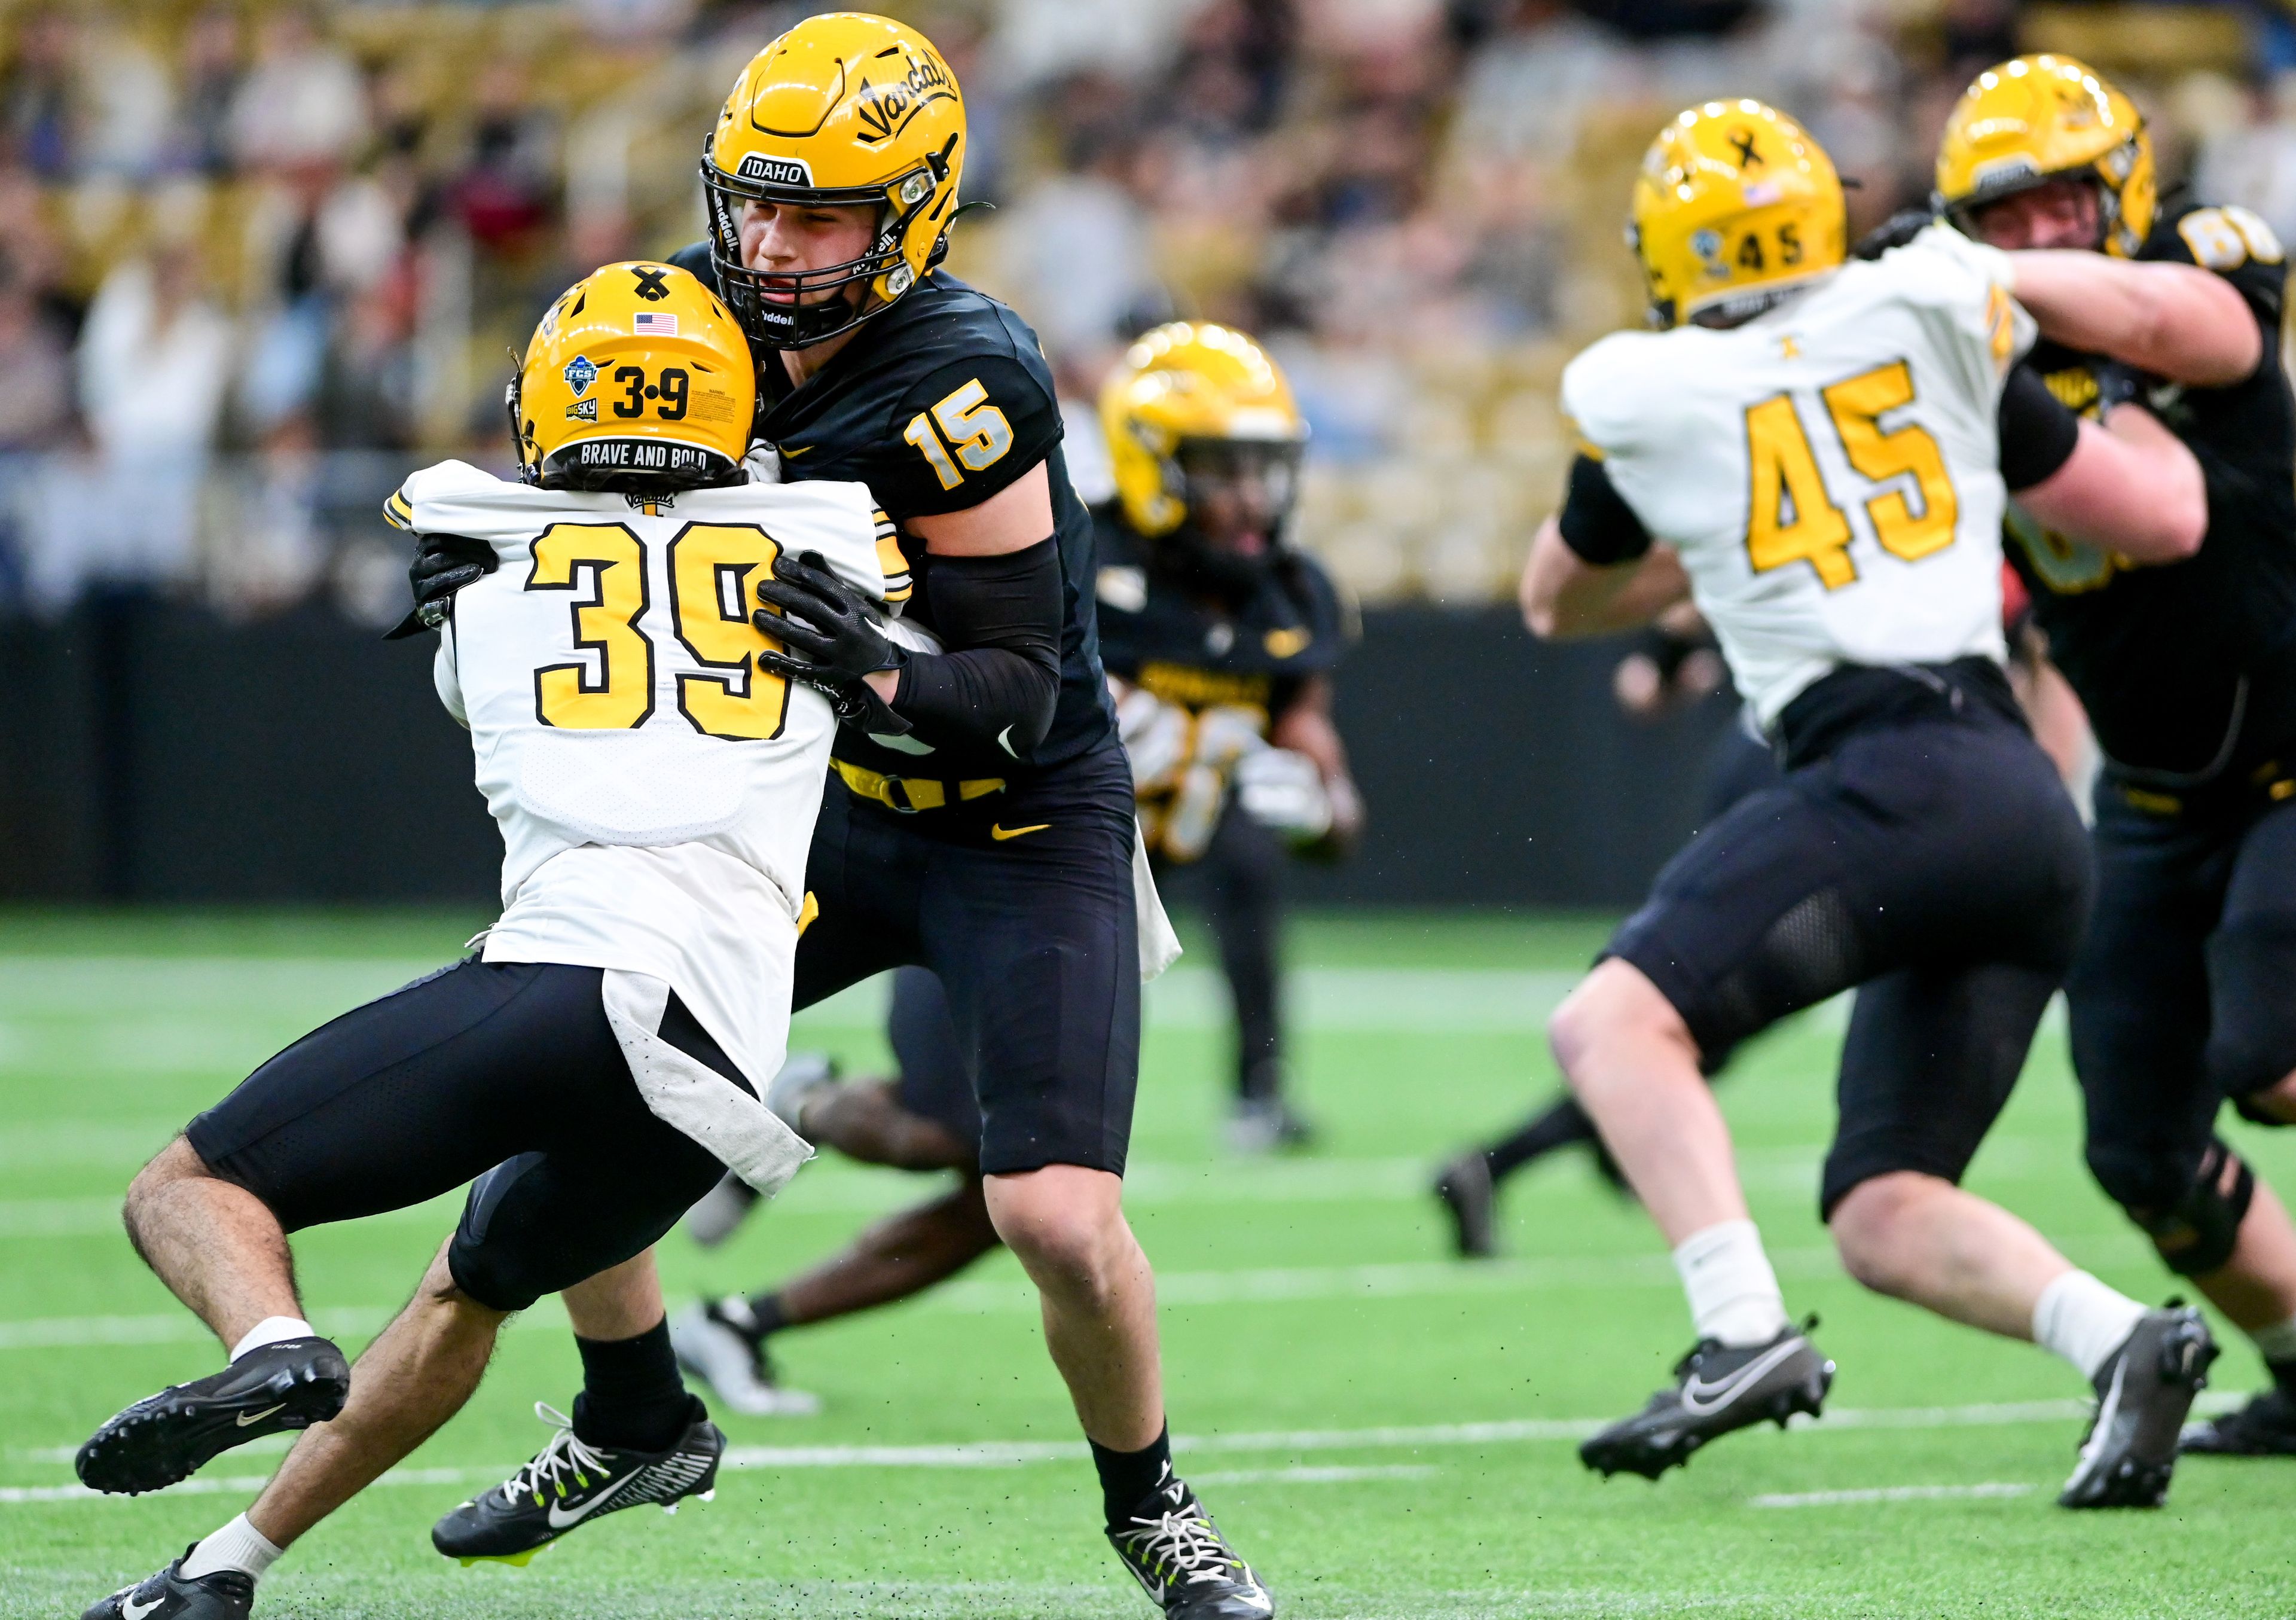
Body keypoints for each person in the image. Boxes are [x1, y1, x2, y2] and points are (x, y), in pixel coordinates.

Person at [410, 19, 1271, 1615]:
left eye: (818, 216)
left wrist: (876, 660)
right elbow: (576, 511)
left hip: (1018, 819)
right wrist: (491, 568)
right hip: (816, 815)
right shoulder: (689, 314)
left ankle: (1152, 1504)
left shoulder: (964, 374)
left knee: (1059, 1218)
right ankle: (628, 1410)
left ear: (915, 210)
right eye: (757, 205)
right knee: (563, 1039)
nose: (772, 246)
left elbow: (1016, 684)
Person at [73, 263, 891, 1619]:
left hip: (581, 978)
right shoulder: (835, 553)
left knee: (190, 1186)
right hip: (719, 1057)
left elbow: (498, 683)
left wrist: (481, 578)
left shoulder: (483, 569)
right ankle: (235, 1565)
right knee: (478, 1276)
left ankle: (269, 1341)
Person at [1526, 99, 2219, 1508]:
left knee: (1607, 1020)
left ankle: (1738, 1330)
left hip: (1889, 768)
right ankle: (2125, 1341)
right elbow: (2154, 518)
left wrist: (1710, 549)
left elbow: (1558, 598)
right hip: (2025, 808)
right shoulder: (1932, 308)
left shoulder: (1646, 387)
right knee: (1885, 1207)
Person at [671, 322, 1362, 1411]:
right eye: (1224, 470)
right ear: (1152, 459)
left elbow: (1330, 792)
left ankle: (739, 1322)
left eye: (1265, 470)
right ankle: (808, 1109)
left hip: (1100, 892)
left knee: (1033, 1189)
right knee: (952, 1140)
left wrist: (1314, 803)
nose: (1250, 501)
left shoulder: (1295, 595)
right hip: (992, 855)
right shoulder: (1079, 551)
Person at [1936, 54, 2296, 1459]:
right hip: (2152, 795)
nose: (2032, 236)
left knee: (2271, 1056)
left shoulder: (2200, 250)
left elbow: (2179, 322)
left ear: (2125, 187)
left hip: (2293, 752)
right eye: (2001, 218)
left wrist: (1970, 279)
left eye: (2058, 205)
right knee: (2141, 1142)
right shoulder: (1974, 353)